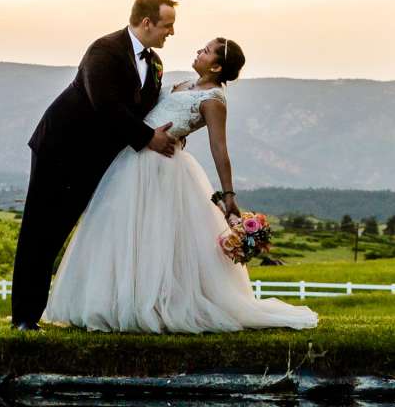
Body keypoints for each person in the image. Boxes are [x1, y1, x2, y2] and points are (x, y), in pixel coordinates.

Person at [43, 37, 318, 333]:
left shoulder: (213, 99)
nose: (199, 51)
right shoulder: (184, 83)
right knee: (122, 231)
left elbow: (219, 148)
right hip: (134, 160)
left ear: (215, 65)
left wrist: (228, 195)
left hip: (163, 168)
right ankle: (117, 302)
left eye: (207, 50)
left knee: (157, 237)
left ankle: (157, 304)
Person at [10, 0, 183, 330]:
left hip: (98, 160)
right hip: (60, 151)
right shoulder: (104, 50)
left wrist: (174, 127)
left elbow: (145, 109)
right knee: (40, 233)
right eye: (168, 25)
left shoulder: (155, 64)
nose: (171, 33)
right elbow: (105, 104)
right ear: (146, 22)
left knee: (79, 234)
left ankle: (78, 310)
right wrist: (149, 139)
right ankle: (24, 320)